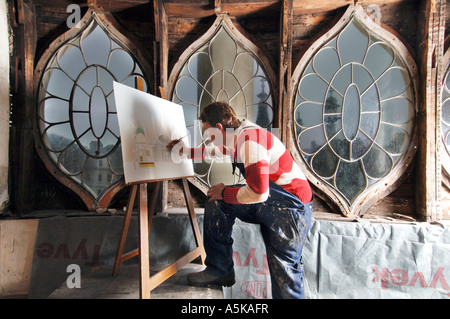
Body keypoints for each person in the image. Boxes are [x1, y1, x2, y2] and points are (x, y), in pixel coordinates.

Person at [167, 102, 313, 299]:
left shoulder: (250, 140)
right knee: (216, 202)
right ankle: (219, 270)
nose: (210, 140)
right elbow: (215, 153)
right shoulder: (236, 137)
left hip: (290, 207)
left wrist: (225, 192)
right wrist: (186, 152)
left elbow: (259, 192)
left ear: (219, 128)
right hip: (271, 200)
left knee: (284, 269)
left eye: (209, 135)